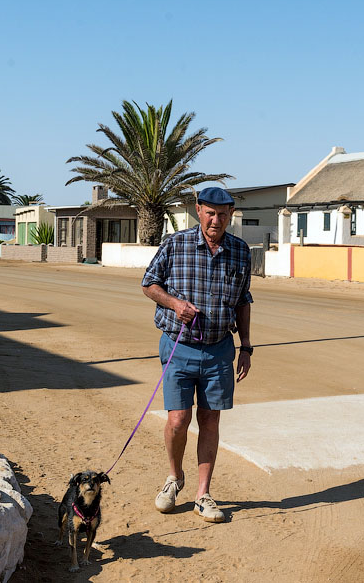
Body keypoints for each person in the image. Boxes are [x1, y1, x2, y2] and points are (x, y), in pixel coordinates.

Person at [141, 187, 253, 523]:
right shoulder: (175, 244)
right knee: (177, 420)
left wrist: (246, 346)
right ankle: (174, 479)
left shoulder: (240, 251)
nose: (215, 220)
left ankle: (203, 495)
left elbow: (243, 300)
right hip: (179, 346)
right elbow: (149, 283)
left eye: (222, 214)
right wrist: (175, 304)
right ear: (198, 210)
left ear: (230, 214)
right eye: (209, 213)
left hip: (220, 350)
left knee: (210, 419)